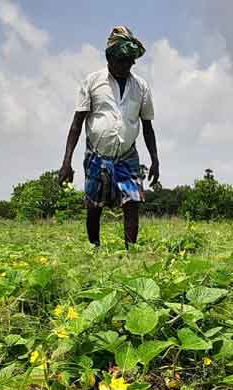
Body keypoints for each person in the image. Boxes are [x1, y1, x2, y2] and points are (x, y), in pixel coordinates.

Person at [58, 26, 160, 249]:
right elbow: (76, 125)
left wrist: (155, 159)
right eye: (123, 60)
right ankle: (94, 248)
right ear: (110, 58)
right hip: (97, 154)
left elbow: (148, 127)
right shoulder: (93, 82)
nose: (129, 65)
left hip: (127, 154)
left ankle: (131, 251)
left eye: (131, 60)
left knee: (132, 202)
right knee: (94, 205)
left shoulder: (141, 87)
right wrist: (66, 162)